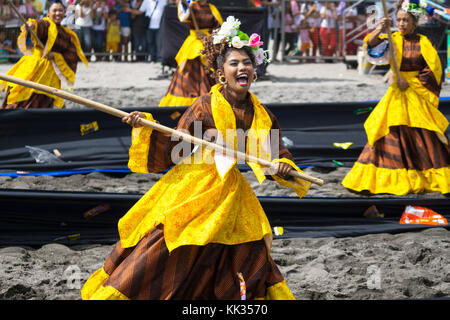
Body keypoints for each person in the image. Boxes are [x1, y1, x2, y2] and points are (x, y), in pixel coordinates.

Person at [81, 17, 311, 300]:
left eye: (247, 63)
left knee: (249, 246)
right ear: (220, 74)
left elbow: (276, 154)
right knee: (166, 244)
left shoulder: (261, 114)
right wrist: (146, 126)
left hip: (230, 191)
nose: (242, 68)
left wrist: (285, 166)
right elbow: (176, 144)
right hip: (193, 184)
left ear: (255, 71)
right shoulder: (204, 105)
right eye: (234, 63)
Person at [342, 0, 449, 195]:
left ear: (414, 22)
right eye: (399, 20)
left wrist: (412, 82)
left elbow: (434, 70)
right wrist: (379, 28)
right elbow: (373, 48)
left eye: (406, 20)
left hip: (416, 93)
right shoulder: (392, 39)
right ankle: (377, 180)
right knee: (385, 132)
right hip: (396, 96)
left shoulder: (423, 42)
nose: (402, 24)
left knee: (424, 135)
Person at [0, 1, 88, 109]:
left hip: (51, 73)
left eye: (60, 10)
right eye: (54, 10)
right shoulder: (47, 24)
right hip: (34, 68)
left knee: (46, 100)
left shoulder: (66, 34)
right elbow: (39, 25)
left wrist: (55, 56)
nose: (57, 13)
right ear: (48, 14)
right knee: (21, 95)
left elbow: (70, 53)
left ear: (64, 13)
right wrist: (32, 25)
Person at [159, 0, 222, 107]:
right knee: (190, 69)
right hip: (194, 43)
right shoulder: (191, 5)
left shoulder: (212, 8)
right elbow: (183, 17)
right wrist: (184, 4)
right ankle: (193, 105)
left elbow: (220, 28)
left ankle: (209, 103)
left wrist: (210, 36)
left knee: (210, 71)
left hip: (208, 41)